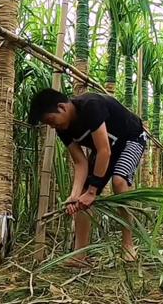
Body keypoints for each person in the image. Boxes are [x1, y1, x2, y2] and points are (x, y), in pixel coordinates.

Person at [28, 88, 147, 266]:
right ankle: (80, 255)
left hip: (131, 139)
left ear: (62, 107)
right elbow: (80, 162)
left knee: (119, 181)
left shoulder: (90, 106)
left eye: (51, 121)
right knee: (81, 198)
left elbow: (103, 150)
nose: (52, 126)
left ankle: (128, 245)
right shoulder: (63, 129)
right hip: (106, 149)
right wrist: (75, 195)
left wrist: (92, 191)